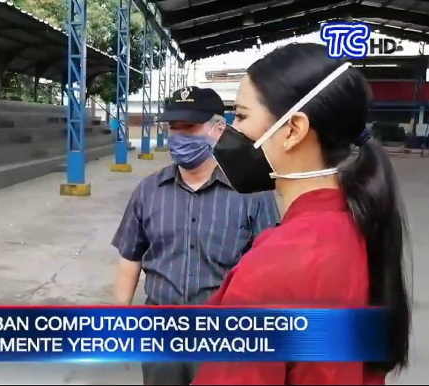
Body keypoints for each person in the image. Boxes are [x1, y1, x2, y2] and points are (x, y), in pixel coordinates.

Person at [192, 43, 411, 384]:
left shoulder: (276, 266)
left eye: (242, 115)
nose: (230, 130)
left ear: (293, 129)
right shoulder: (358, 225)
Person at [112, 86, 280, 385]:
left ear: (218, 129)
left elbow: (273, 271)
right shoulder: (148, 191)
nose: (179, 137)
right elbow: (130, 258)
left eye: (189, 127)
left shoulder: (252, 193)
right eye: (173, 128)